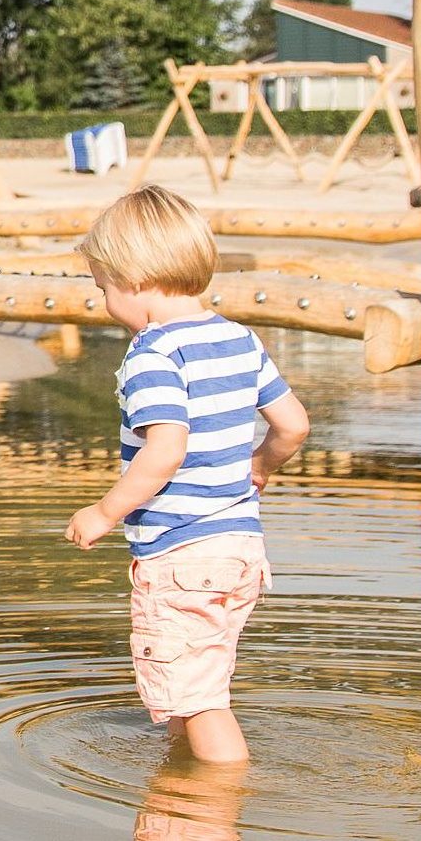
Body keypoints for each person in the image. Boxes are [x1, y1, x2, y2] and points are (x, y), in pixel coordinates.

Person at [64, 186, 311, 764]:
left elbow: (165, 448)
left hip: (183, 556)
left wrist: (104, 512)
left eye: (102, 288)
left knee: (200, 701)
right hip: (241, 549)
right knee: (193, 684)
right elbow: (294, 425)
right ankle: (181, 777)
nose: (103, 303)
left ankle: (218, 801)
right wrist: (259, 465)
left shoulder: (152, 354)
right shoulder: (238, 338)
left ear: (133, 280)